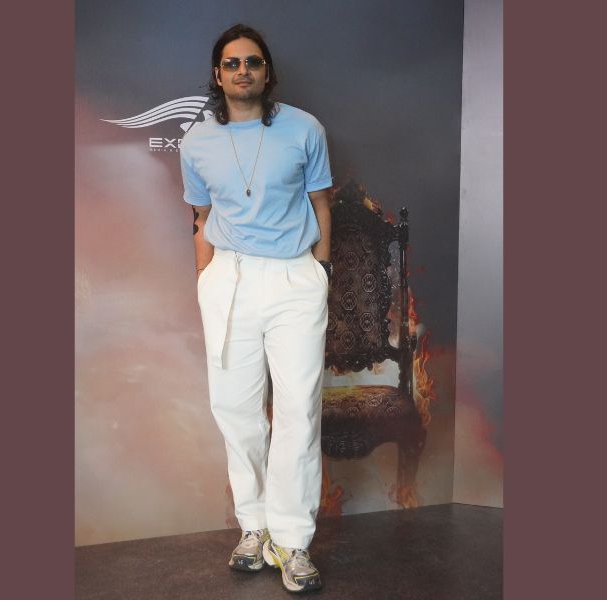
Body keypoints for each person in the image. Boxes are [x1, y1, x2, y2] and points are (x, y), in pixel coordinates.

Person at [179, 23, 333, 594]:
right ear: (217, 76)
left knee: (298, 411)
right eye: (231, 63)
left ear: (267, 72)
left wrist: (321, 272)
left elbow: (322, 204)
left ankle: (292, 541)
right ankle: (254, 527)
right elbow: (200, 218)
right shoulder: (196, 142)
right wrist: (206, 279)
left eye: (252, 62)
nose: (242, 71)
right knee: (236, 409)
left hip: (294, 277)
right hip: (229, 278)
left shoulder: (305, 129)